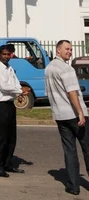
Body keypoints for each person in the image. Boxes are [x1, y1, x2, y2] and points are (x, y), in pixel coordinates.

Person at [45, 39, 89, 196]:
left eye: (71, 49)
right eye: (67, 49)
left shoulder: (49, 68)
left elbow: (49, 93)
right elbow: (72, 92)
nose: (70, 51)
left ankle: (73, 186)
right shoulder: (66, 69)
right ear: (58, 50)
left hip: (60, 115)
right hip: (74, 114)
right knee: (87, 148)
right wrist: (80, 113)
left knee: (69, 150)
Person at [0, 45, 29, 177]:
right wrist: (19, 90)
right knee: (1, 137)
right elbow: (4, 87)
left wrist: (20, 91)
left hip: (10, 105)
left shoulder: (9, 68)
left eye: (8, 54)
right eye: (4, 54)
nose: (6, 56)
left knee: (11, 137)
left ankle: (7, 163)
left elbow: (15, 83)